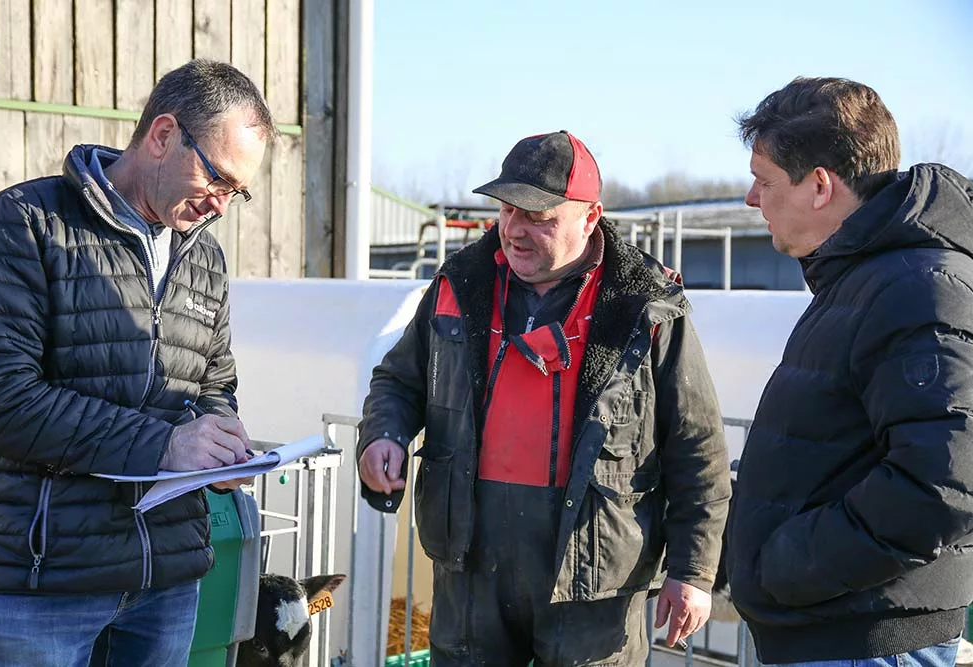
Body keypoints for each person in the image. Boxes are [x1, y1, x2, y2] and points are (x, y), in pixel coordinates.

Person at [358, 130, 731, 665]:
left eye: (540, 217)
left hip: (595, 576)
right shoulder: (456, 284)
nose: (515, 230)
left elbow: (697, 446)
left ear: (591, 215)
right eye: (508, 211)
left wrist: (693, 572)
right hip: (469, 564)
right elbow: (397, 381)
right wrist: (383, 436)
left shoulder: (646, 305)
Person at [0, 59, 275, 666]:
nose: (220, 205)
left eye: (236, 192)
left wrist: (219, 441)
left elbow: (213, 382)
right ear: (163, 135)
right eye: (217, 178)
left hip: (166, 576)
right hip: (46, 580)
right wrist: (165, 448)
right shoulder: (27, 225)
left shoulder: (203, 257)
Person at [726, 77, 973, 666]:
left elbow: (945, 482)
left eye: (763, 180)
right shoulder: (864, 279)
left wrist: (786, 564)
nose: (750, 199)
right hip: (839, 628)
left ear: (819, 186)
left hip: (864, 642)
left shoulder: (916, 287)